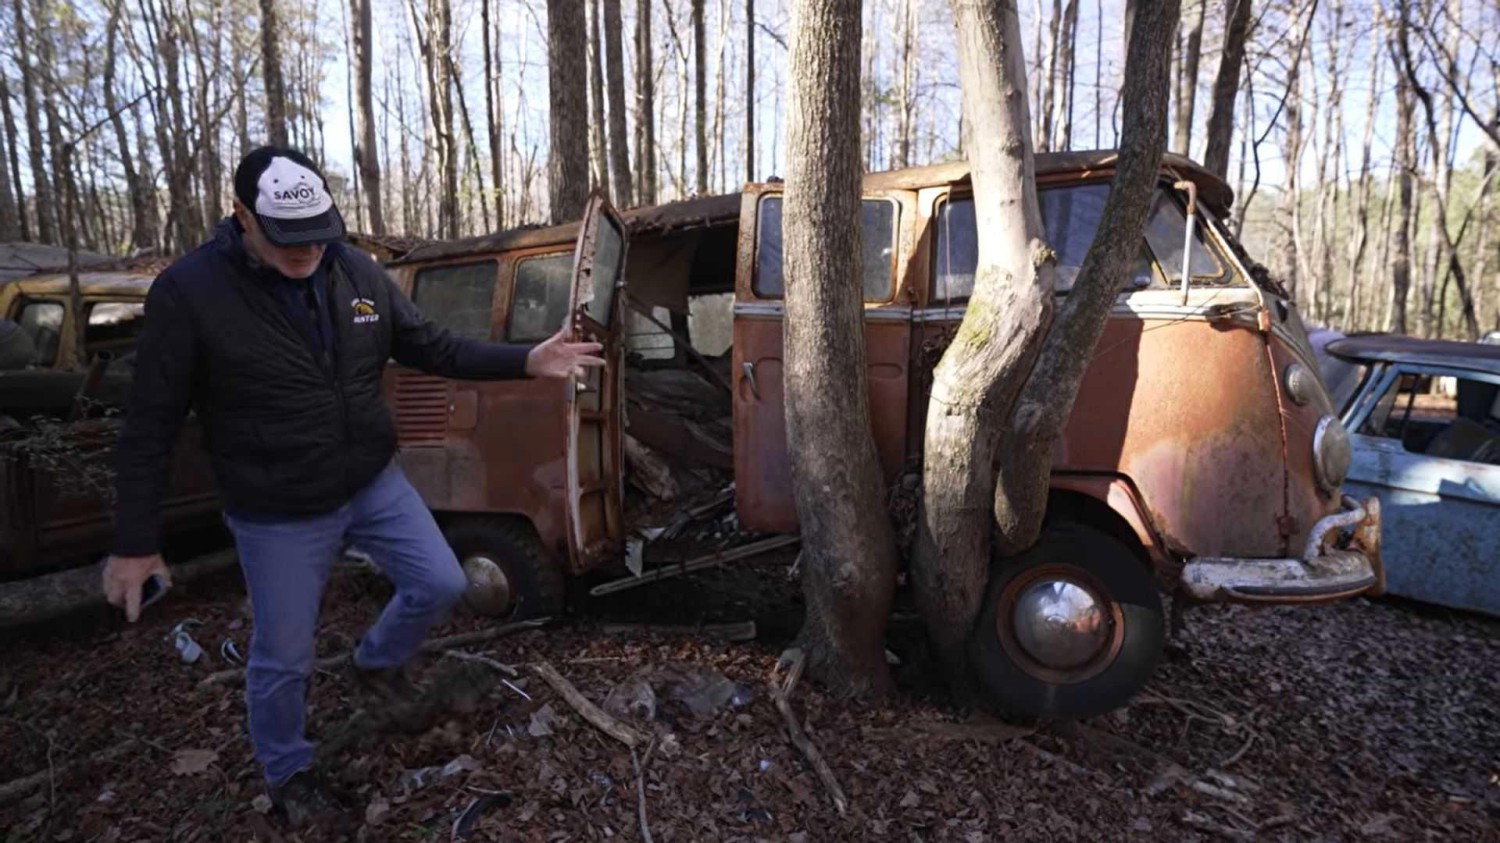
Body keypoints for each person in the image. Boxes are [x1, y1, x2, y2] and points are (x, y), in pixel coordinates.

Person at [101, 146, 604, 826]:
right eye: (289, 239)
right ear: (242, 217)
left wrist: (527, 359)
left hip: (370, 480)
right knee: (283, 656)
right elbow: (149, 425)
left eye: (318, 234)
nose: (308, 251)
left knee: (443, 581)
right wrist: (134, 541)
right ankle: (288, 768)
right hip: (277, 507)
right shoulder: (191, 294)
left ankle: (374, 662)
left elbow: (430, 344)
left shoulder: (356, 270)